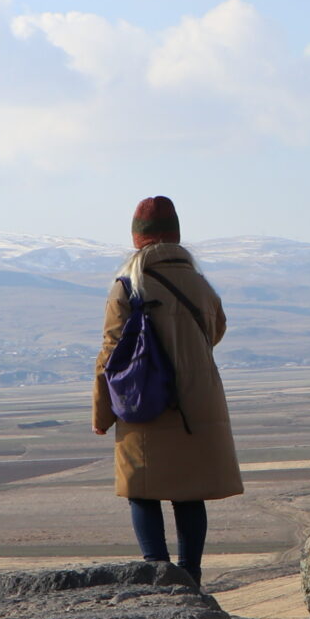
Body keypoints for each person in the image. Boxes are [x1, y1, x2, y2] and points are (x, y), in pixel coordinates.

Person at [91, 195, 241, 583]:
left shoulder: (129, 285)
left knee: (142, 490)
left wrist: (102, 413)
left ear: (137, 238)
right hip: (199, 401)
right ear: (175, 234)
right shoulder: (200, 284)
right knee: (190, 493)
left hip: (144, 399)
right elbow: (215, 332)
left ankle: (156, 575)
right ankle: (191, 576)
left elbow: (110, 353)